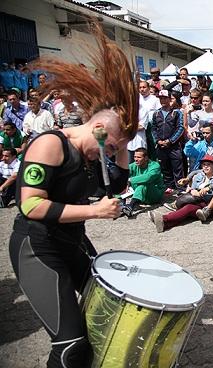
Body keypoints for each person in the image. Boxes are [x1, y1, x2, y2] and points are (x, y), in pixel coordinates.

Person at [8, 24, 138, 368]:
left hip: (72, 242)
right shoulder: (51, 144)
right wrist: (94, 212)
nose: (109, 155)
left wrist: (123, 143)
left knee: (112, 307)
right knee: (72, 345)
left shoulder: (92, 152)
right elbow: (31, 205)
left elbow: (120, 185)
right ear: (97, 130)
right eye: (110, 146)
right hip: (37, 248)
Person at [149, 154, 213, 231]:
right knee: (187, 210)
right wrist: (193, 190)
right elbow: (193, 187)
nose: (205, 166)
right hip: (197, 201)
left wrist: (200, 193)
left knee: (188, 208)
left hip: (210, 205)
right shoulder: (200, 175)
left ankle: (164, 219)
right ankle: (165, 224)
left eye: (208, 164)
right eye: (204, 164)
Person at [152, 89, 184, 191]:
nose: (162, 100)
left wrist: (170, 141)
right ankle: (168, 188)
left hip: (173, 146)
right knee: (165, 168)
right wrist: (157, 140)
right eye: (161, 98)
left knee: (177, 168)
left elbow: (180, 128)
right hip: (161, 146)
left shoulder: (176, 112)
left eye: (165, 98)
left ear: (170, 99)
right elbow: (153, 128)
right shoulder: (156, 113)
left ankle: (179, 188)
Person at [121, 147, 164, 217]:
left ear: (146, 158)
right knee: (121, 182)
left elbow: (148, 177)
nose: (136, 159)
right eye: (135, 157)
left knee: (143, 184)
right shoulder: (133, 165)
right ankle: (121, 205)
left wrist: (129, 180)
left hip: (154, 194)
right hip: (141, 195)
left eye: (139, 157)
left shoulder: (155, 166)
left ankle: (131, 206)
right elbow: (123, 174)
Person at [127, 80, 160, 162]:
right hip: (133, 137)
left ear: (149, 88)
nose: (142, 89)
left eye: (144, 87)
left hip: (150, 128)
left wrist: (129, 126)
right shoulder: (137, 98)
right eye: (140, 87)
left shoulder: (154, 99)